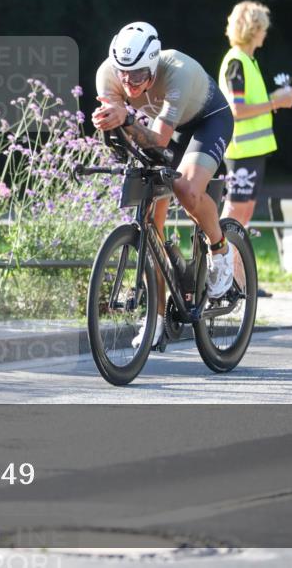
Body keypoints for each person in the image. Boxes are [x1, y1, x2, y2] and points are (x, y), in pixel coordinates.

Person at [92, 21, 235, 348]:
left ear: (154, 65)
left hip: (206, 124)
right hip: (163, 132)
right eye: (122, 73)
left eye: (138, 75)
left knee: (186, 189)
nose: (128, 83)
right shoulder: (109, 74)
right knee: (148, 228)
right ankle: (155, 318)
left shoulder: (178, 73)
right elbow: (117, 131)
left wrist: (126, 119)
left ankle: (221, 250)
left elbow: (158, 140)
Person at [218, 1, 292, 298]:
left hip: (253, 152)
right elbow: (237, 110)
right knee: (233, 215)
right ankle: (220, 275)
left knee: (243, 215)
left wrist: (275, 97)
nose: (265, 34)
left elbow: (250, 105)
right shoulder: (237, 62)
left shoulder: (247, 61)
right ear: (254, 29)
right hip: (241, 151)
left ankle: (240, 282)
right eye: (263, 28)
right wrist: (275, 102)